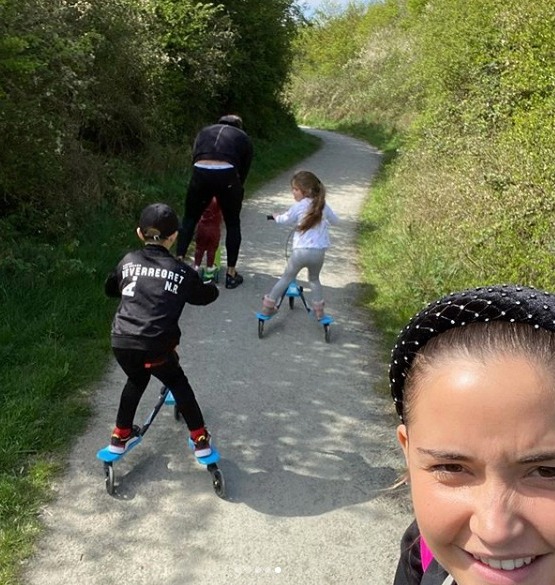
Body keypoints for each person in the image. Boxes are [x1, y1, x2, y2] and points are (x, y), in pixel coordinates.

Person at [389, 284, 555, 585]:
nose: (494, 530)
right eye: (451, 467)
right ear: (408, 453)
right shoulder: (422, 553)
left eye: (547, 471)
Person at [104, 203, 219, 458]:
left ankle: (120, 434)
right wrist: (211, 286)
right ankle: (199, 438)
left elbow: (111, 289)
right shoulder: (181, 271)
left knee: (136, 378)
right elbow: (203, 297)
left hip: (122, 341)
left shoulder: (127, 261)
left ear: (139, 233)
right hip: (157, 345)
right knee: (177, 381)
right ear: (175, 236)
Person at [176, 114, 253, 290]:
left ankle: (178, 267)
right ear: (239, 126)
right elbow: (243, 171)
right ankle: (231, 274)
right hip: (228, 174)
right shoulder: (243, 137)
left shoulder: (205, 132)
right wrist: (236, 192)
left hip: (200, 171)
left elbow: (195, 158)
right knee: (233, 223)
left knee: (189, 219)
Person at [260, 170, 339, 319]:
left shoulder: (299, 206)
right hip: (318, 253)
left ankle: (268, 306)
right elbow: (336, 221)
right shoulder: (323, 206)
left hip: (300, 253)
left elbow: (285, 219)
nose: (293, 193)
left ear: (306, 191)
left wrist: (276, 216)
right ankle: (318, 311)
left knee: (286, 278)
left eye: (295, 189)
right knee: (314, 279)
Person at [193, 196, 222, 282]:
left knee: (199, 248)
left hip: (202, 227)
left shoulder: (202, 197)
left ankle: (196, 267)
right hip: (214, 229)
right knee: (212, 249)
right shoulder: (218, 199)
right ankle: (209, 268)